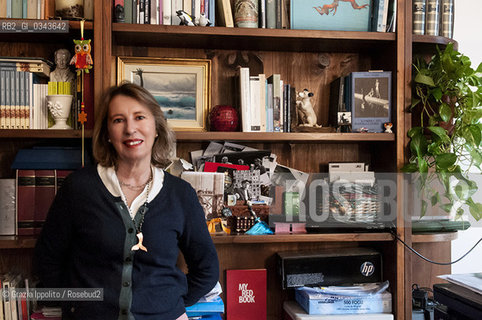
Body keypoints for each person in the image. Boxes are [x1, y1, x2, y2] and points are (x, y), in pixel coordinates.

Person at [34, 82, 219, 320]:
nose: (130, 129)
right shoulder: (78, 188)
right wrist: (78, 305)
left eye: (139, 117)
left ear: (156, 128)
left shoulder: (181, 194)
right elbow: (47, 259)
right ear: (108, 134)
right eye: (118, 120)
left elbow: (207, 269)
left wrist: (168, 304)